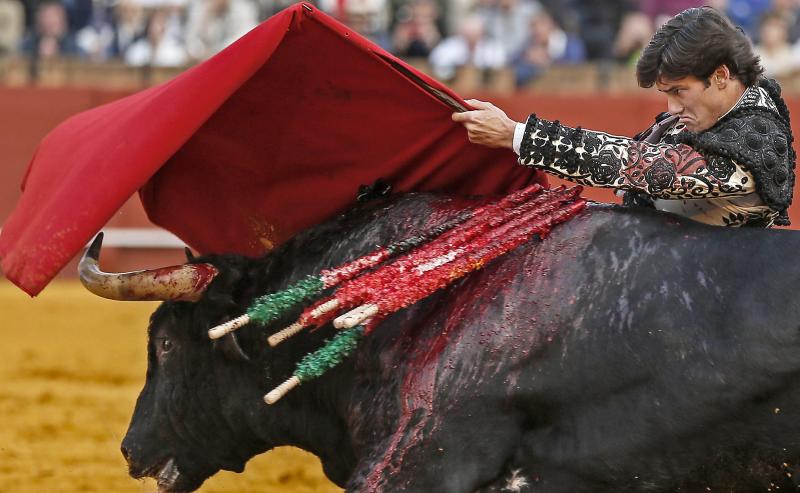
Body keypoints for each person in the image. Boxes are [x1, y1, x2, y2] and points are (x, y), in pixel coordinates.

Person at [452, 7, 796, 227]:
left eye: (679, 91)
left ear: (721, 76)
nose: (672, 109)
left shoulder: (757, 142)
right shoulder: (726, 104)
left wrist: (518, 135)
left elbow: (632, 163)